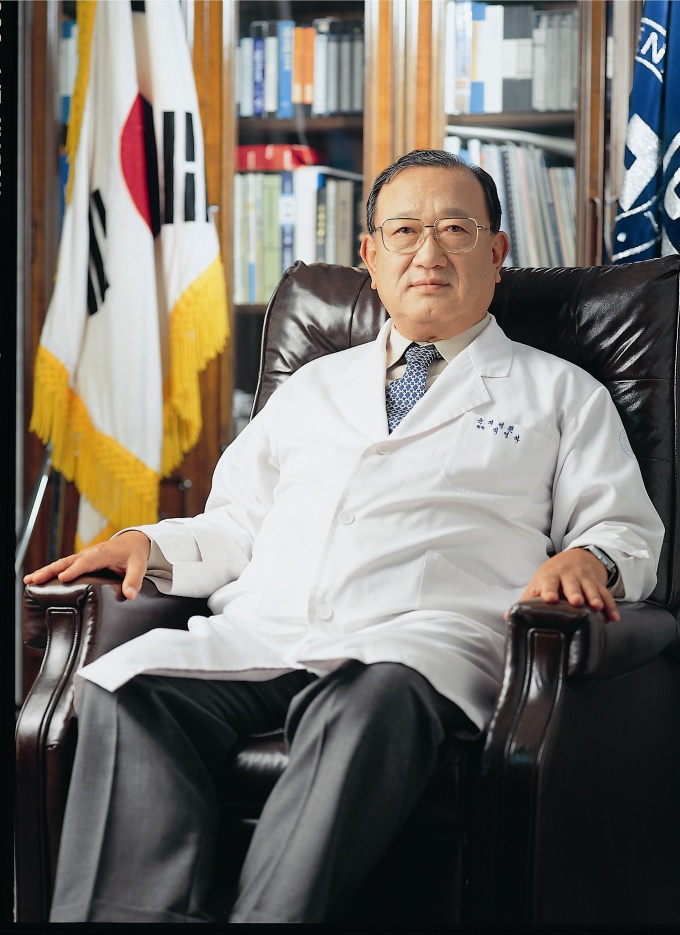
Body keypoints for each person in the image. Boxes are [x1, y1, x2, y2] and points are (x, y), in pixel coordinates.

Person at [24, 149, 664, 924]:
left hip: (416, 645)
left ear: (496, 252)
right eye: (404, 230)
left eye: (455, 229)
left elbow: (622, 527)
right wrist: (150, 546)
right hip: (268, 631)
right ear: (371, 254)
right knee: (124, 687)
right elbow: (238, 520)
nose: (428, 252)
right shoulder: (313, 387)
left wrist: (589, 556)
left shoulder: (560, 392)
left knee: (365, 700)